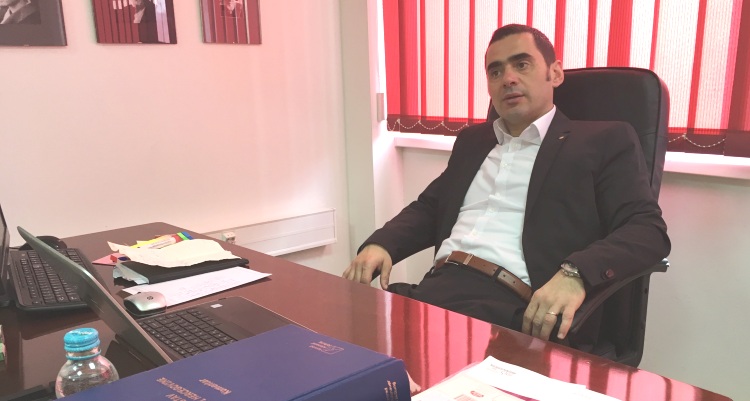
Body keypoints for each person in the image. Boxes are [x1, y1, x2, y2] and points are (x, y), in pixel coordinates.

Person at [343, 24, 670, 345]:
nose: (508, 78)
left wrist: (576, 274)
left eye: (522, 64)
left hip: (515, 312)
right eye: (495, 71)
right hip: (434, 292)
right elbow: (431, 208)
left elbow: (646, 230)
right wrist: (382, 244)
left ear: (555, 73)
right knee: (339, 338)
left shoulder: (602, 141)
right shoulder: (473, 142)